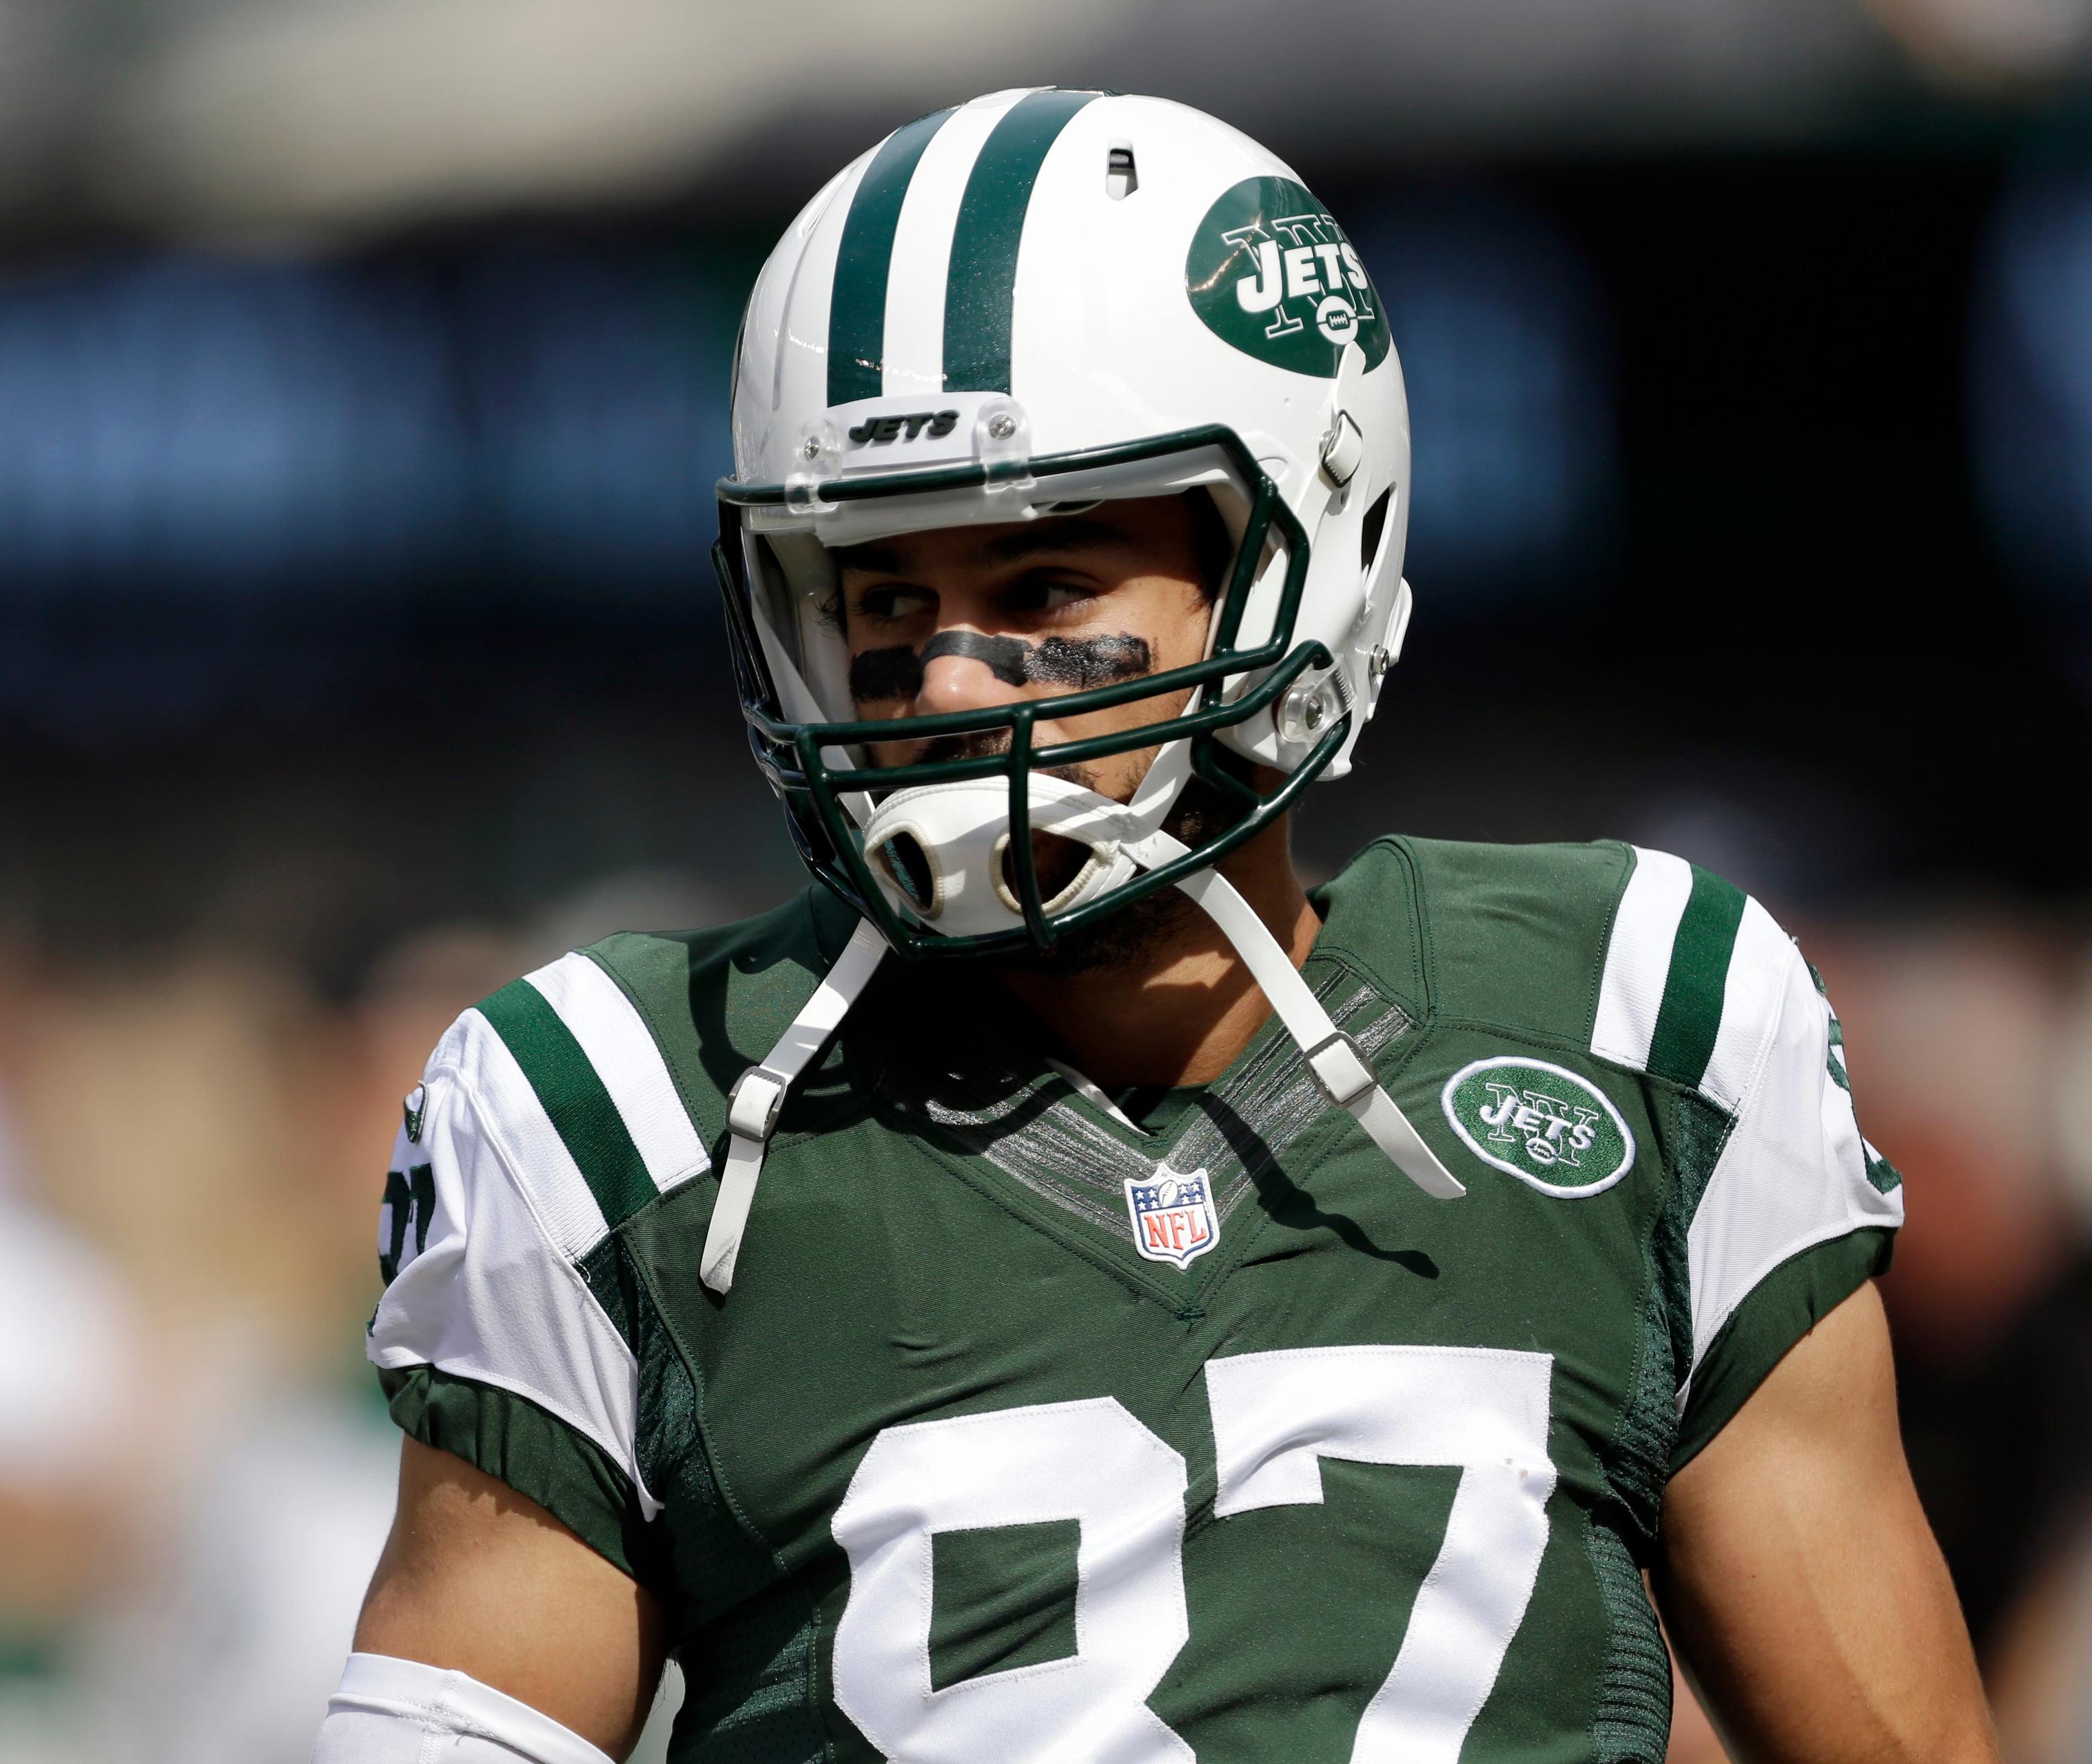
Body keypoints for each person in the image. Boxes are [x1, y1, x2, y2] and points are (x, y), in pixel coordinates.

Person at [321, 91, 1996, 1763]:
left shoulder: (1639, 1025)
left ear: (1308, 546)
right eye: (887, 596)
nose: (954, 677)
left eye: (1046, 589)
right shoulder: (620, 1106)